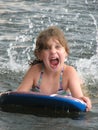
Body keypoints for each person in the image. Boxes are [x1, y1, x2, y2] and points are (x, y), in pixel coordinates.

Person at [17, 26, 92, 111]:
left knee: (81, 87)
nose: (53, 51)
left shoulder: (69, 72)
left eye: (57, 47)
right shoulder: (35, 71)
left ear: (66, 52)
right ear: (39, 55)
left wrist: (85, 101)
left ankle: (80, 82)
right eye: (47, 48)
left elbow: (79, 99)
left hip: (66, 94)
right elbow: (18, 95)